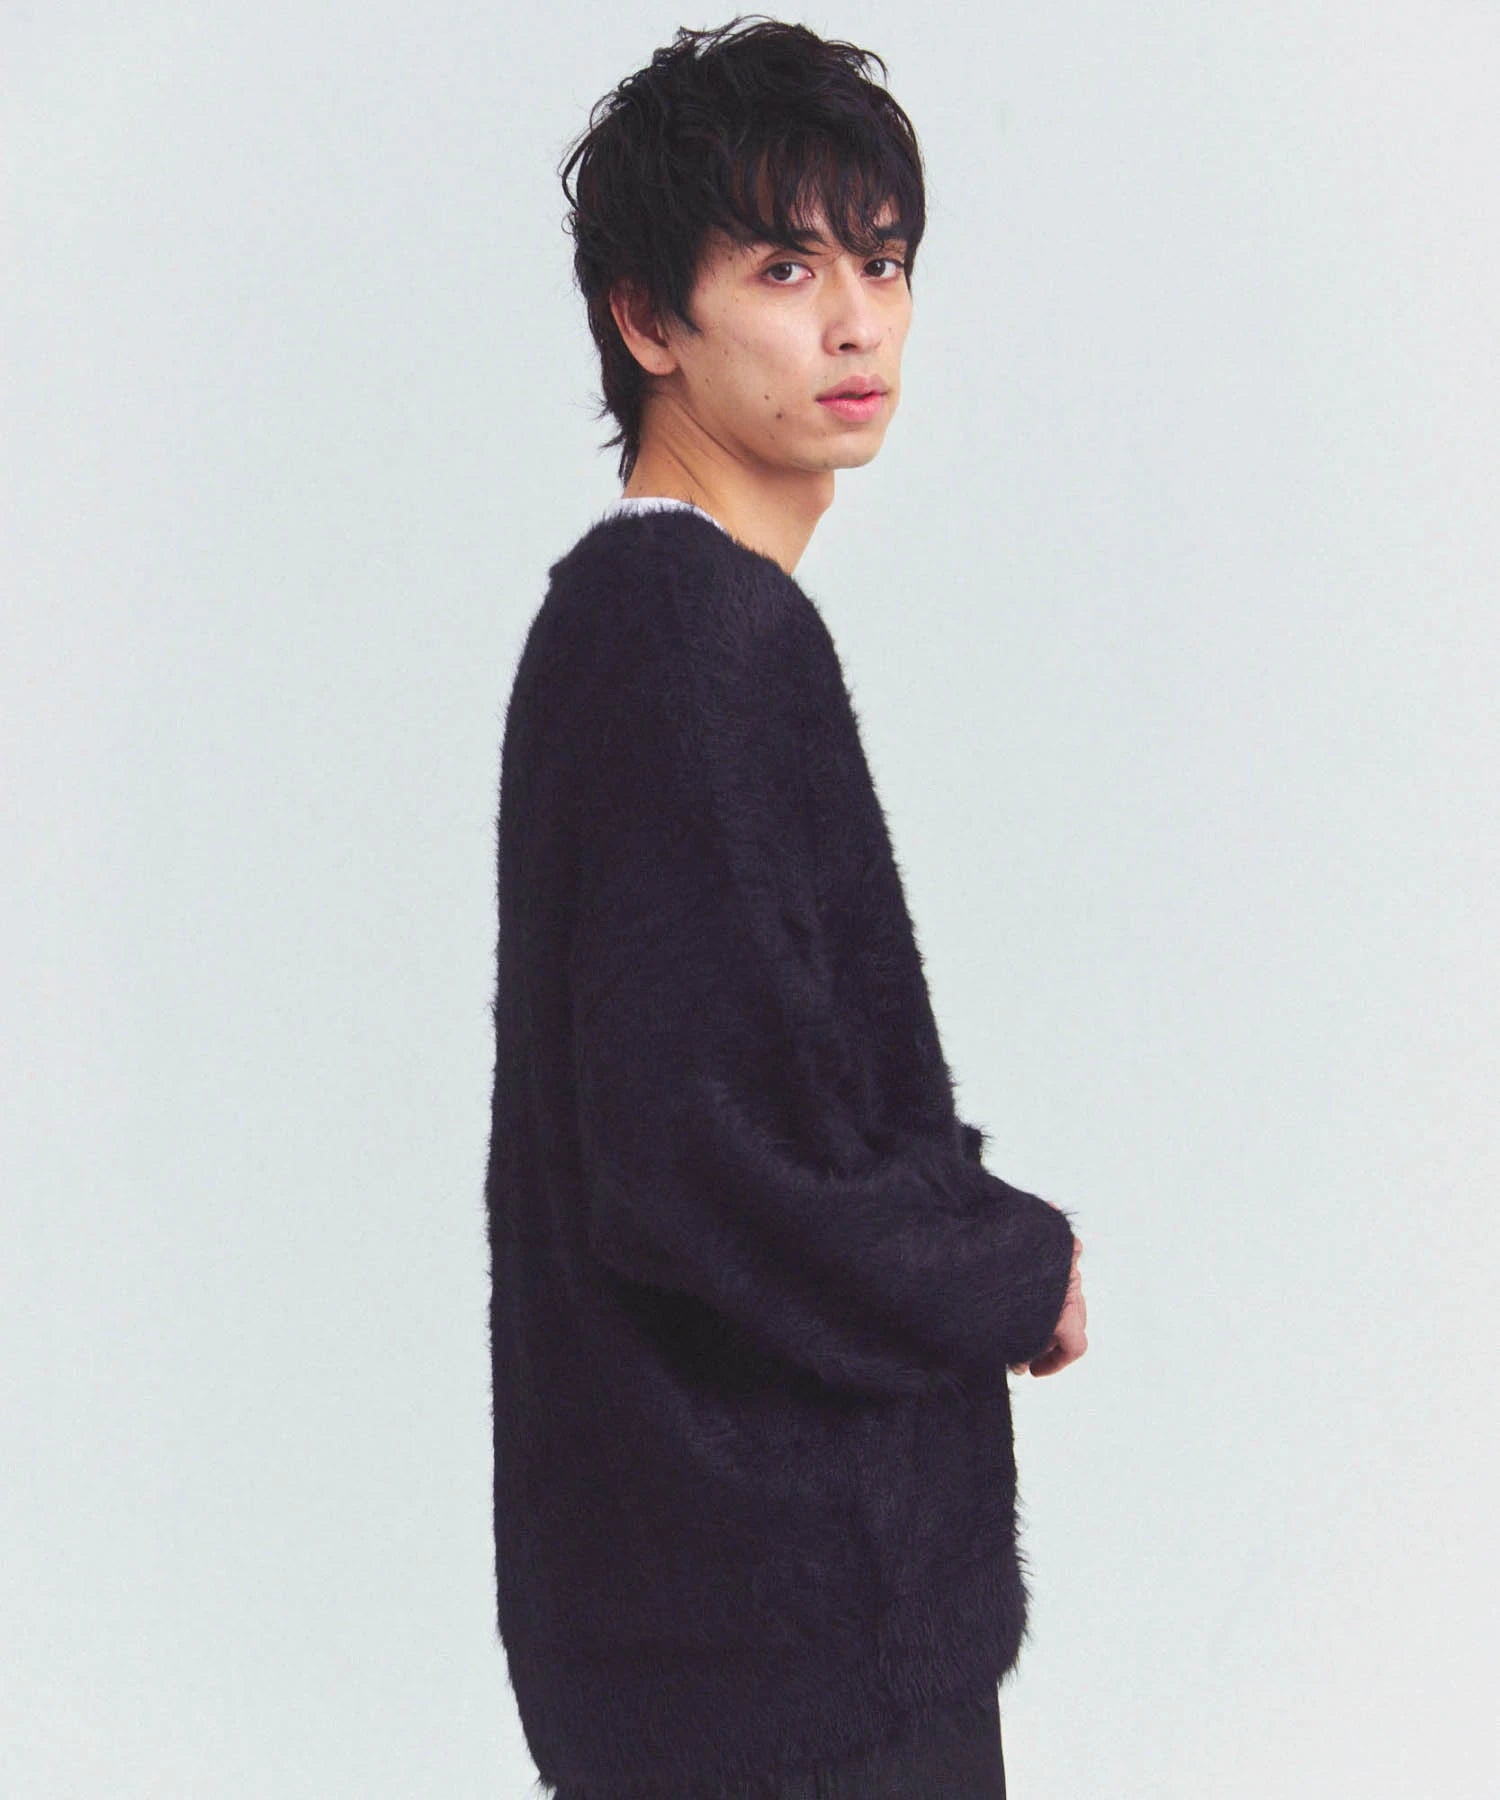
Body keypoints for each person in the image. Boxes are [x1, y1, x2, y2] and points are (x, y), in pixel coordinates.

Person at [485, 17, 1088, 1797]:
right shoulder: (684, 632)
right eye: (783, 266)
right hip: (784, 1633)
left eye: (881, 262)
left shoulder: (660, 621)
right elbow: (699, 1160)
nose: (856, 322)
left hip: (719, 1619)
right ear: (646, 319)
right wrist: (1012, 1266)